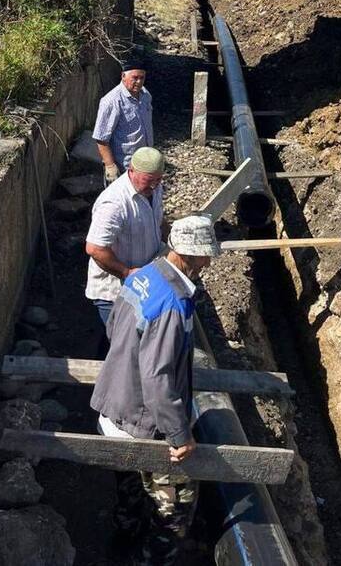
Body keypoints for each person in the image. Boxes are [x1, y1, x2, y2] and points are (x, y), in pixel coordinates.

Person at [91, 215, 220, 565]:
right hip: (143, 425)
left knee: (130, 491)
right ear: (187, 255)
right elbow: (158, 377)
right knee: (175, 508)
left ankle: (123, 542)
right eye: (204, 255)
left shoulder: (144, 276)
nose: (208, 262)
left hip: (113, 412)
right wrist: (180, 435)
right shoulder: (172, 304)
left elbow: (114, 329)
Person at [85, 146, 166, 328]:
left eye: (158, 180)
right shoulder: (114, 203)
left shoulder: (154, 188)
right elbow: (95, 248)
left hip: (143, 285)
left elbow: (158, 219)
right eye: (149, 180)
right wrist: (126, 273)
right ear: (131, 171)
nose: (154, 185)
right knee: (120, 345)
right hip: (115, 292)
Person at [93, 57, 154, 185]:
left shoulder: (145, 96)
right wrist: (110, 166)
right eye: (135, 78)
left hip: (144, 162)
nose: (138, 82)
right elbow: (101, 137)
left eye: (142, 78)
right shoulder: (112, 101)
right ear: (123, 76)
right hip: (124, 167)